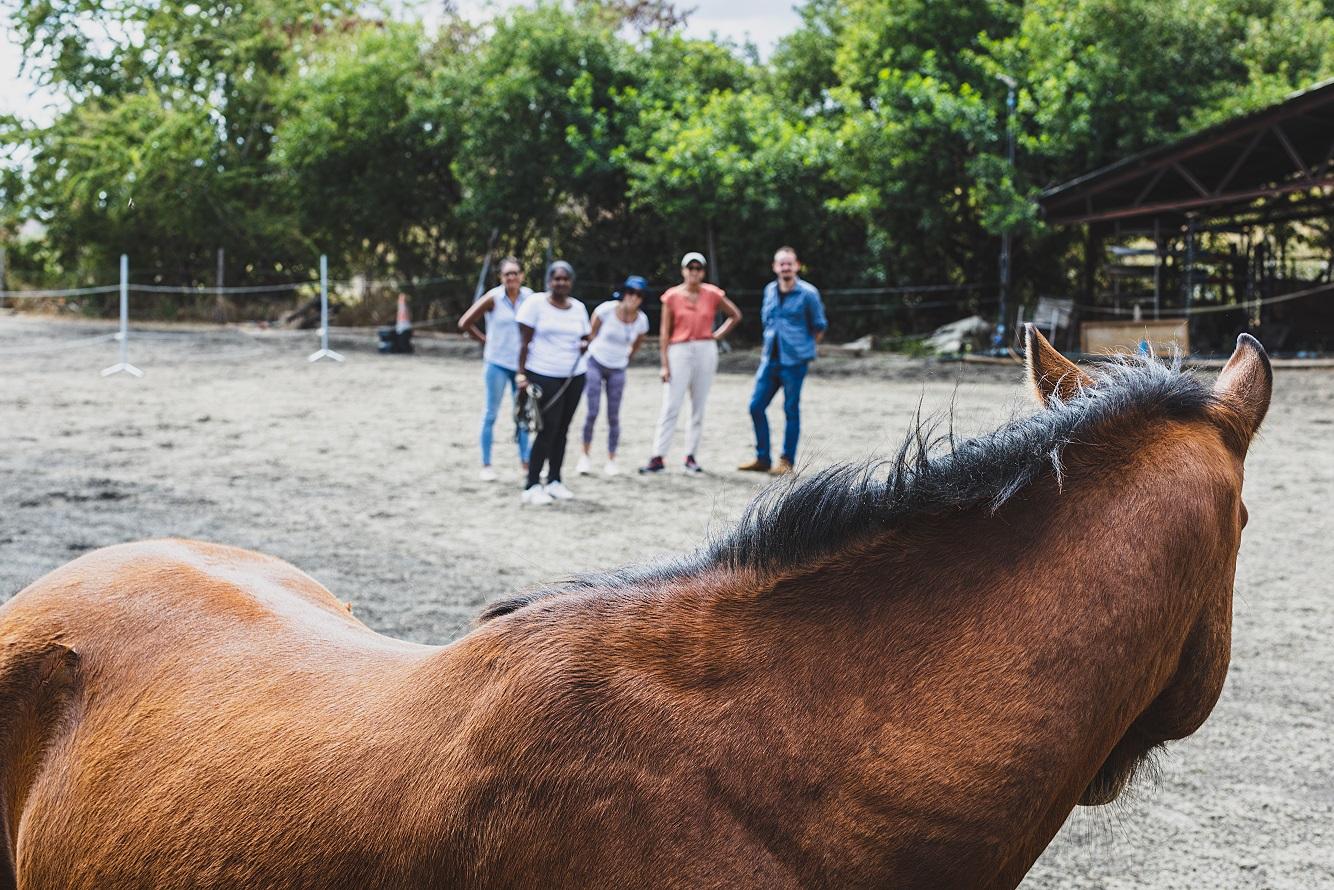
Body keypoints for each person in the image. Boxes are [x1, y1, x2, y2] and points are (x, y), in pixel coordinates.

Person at [639, 252, 742, 475]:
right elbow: (665, 332)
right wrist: (664, 363)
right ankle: (658, 455)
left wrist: (716, 335)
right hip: (679, 349)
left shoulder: (713, 294)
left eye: (698, 268)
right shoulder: (672, 296)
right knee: (671, 404)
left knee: (698, 405)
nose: (694, 272)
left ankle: (690, 456)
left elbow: (735, 315)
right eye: (690, 268)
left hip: (705, 348)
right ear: (684, 270)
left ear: (702, 271)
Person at [738, 246, 828, 476]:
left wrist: (801, 348)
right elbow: (766, 321)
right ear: (775, 267)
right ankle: (762, 458)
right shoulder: (769, 290)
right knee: (755, 406)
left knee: (790, 409)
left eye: (789, 263)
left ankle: (786, 461)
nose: (785, 267)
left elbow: (819, 326)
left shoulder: (808, 293)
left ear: (797, 265)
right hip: (770, 359)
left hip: (795, 362)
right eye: (781, 263)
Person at [515, 260, 591, 506]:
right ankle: (532, 483)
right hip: (543, 372)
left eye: (565, 278)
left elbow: (585, 336)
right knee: (548, 428)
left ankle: (555, 479)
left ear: (571, 282)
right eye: (556, 278)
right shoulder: (535, 304)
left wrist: (584, 344)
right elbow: (524, 342)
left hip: (573, 374)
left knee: (563, 429)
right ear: (549, 281)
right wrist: (521, 374)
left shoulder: (578, 308)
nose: (561, 282)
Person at [457, 257, 532, 482]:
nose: (512, 277)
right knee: (491, 413)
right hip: (497, 363)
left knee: (522, 414)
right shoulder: (493, 298)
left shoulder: (530, 298)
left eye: (515, 273)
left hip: (521, 365)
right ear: (501, 277)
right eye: (507, 274)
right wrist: (484, 340)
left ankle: (526, 463)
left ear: (522, 275)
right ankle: (487, 464)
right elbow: (465, 323)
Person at [576, 276, 650, 478]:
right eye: (630, 293)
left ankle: (611, 459)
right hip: (595, 362)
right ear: (624, 293)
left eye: (638, 295)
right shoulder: (605, 310)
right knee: (592, 411)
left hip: (618, 367)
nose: (633, 298)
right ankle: (585, 455)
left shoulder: (642, 321)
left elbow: (636, 344)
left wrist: (626, 358)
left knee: (613, 415)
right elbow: (591, 335)